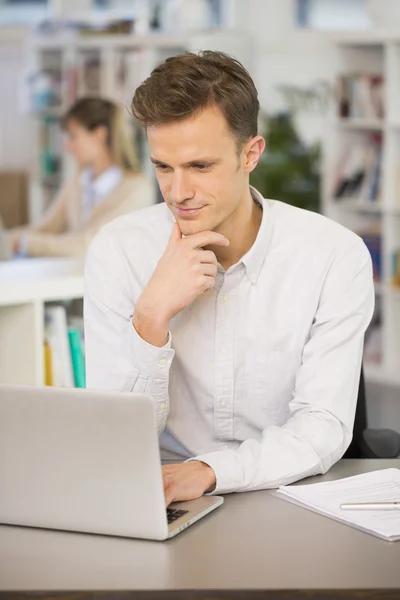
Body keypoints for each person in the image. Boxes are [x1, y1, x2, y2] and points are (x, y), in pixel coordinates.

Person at [84, 51, 374, 505]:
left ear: (250, 154)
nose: (179, 193)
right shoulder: (119, 250)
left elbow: (322, 426)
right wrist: (151, 315)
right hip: (159, 498)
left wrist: (208, 471)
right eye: (164, 167)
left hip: (285, 494)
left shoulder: (332, 255)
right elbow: (108, 439)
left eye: (200, 166)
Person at [7, 97, 154, 257]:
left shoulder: (137, 190)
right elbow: (46, 228)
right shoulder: (78, 180)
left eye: (73, 136)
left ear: (99, 135)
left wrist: (24, 243)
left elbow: (90, 244)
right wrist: (6, 239)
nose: (67, 146)